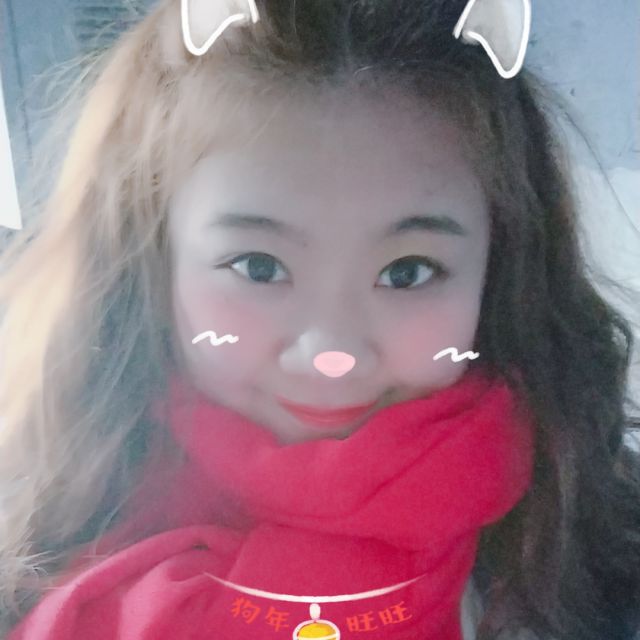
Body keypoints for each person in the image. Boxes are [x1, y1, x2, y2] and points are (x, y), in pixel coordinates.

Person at [0, 0, 639, 638]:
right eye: (258, 267)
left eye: (408, 272)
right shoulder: (35, 528)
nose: (331, 353)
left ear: (500, 273)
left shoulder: (588, 541)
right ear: (149, 260)